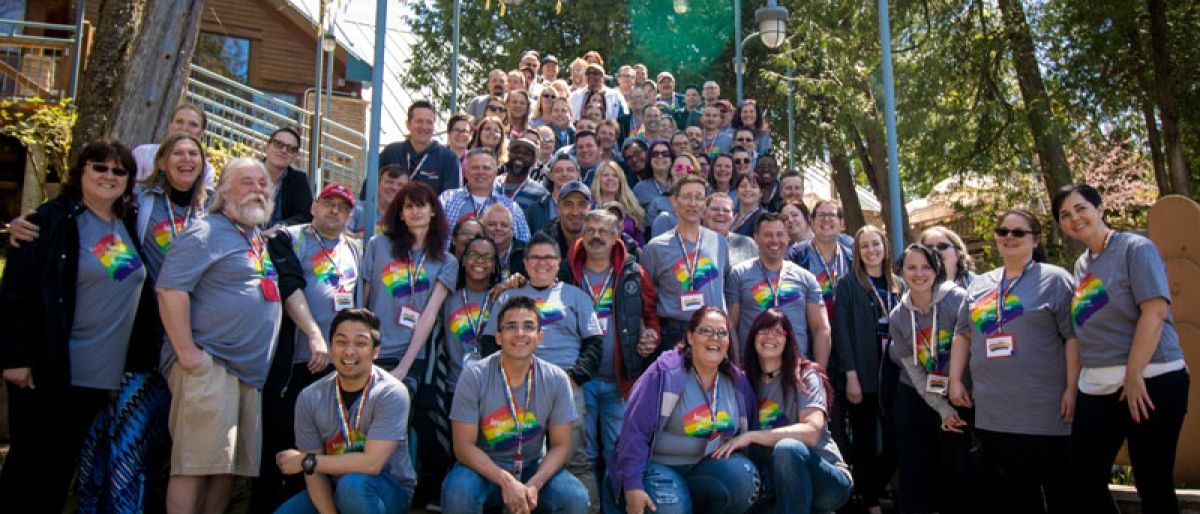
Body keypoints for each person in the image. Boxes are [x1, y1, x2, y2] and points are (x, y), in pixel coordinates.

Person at [0, 139, 148, 512]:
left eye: (119, 171)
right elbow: (16, 292)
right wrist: (15, 357)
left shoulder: (126, 223)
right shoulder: (49, 221)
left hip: (99, 377)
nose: (109, 176)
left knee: (58, 471)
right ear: (80, 172)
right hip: (50, 370)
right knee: (28, 471)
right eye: (99, 167)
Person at [155, 157, 284, 513]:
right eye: (247, 182)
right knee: (195, 467)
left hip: (246, 373)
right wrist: (188, 354)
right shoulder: (205, 231)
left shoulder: (253, 236)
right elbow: (170, 291)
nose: (258, 189)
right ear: (224, 192)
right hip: (210, 365)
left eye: (263, 184)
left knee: (226, 470)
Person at [1053, 184, 1189, 514]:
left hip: (1150, 379)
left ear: (1100, 209)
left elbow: (1154, 312)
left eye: (1081, 208)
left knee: (1151, 480)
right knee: (1083, 477)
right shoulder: (1081, 265)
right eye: (1065, 215)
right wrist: (1075, 386)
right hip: (1097, 385)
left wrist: (1133, 375)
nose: (1075, 218)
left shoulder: (1135, 248)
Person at [947, 209, 1077, 514]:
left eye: (1018, 232)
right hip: (993, 412)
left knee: (1060, 494)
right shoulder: (980, 285)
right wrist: (954, 380)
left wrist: (1072, 388)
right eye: (1003, 231)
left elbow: (1074, 337)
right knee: (1014, 496)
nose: (1009, 237)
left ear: (1035, 239)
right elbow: (963, 335)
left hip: (1044, 412)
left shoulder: (1056, 280)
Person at [253, 183, 363, 512]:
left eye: (342, 207)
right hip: (295, 363)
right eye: (328, 203)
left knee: (317, 448)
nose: (334, 210)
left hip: (336, 369)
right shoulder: (288, 238)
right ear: (313, 206)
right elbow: (289, 285)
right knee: (279, 445)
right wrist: (315, 335)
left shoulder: (354, 248)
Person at [607, 307, 760, 514]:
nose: (715, 338)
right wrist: (633, 484)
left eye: (722, 333)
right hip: (660, 466)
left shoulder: (737, 382)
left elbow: (751, 429)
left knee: (745, 478)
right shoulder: (664, 373)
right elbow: (634, 431)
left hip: (707, 469)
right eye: (706, 331)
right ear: (689, 336)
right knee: (674, 508)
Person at [444, 295, 589, 514]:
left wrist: (534, 485)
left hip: (533, 467)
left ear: (539, 337)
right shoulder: (474, 376)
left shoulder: (557, 379)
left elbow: (561, 445)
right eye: (511, 327)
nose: (520, 334)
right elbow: (463, 447)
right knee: (458, 494)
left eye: (528, 327)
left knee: (575, 498)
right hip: (484, 469)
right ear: (498, 337)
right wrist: (505, 481)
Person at [273, 308, 416, 514]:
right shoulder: (309, 397)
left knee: (352, 486)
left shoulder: (391, 392)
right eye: (341, 342)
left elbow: (371, 464)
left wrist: (306, 461)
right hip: (332, 487)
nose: (349, 351)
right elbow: (313, 473)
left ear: (376, 351)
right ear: (331, 348)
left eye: (360, 343)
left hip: (385, 488)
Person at [715, 309, 852, 514]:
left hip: (826, 480)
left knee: (787, 448)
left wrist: (753, 436)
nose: (770, 336)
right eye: (763, 330)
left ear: (788, 341)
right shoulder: (744, 383)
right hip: (775, 484)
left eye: (778, 332)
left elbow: (812, 432)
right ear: (753, 337)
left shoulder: (805, 376)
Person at [564, 210, 660, 488]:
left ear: (616, 235)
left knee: (619, 452)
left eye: (603, 231)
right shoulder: (567, 271)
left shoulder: (633, 272)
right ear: (582, 233)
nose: (596, 236)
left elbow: (651, 315)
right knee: (583, 452)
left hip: (621, 379)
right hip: (580, 379)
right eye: (590, 230)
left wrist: (651, 335)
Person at [887, 243, 975, 514]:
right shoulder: (898, 316)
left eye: (926, 267)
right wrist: (942, 408)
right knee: (916, 472)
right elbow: (913, 370)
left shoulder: (958, 300)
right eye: (911, 267)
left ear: (937, 270)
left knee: (958, 472)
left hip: (963, 394)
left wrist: (953, 405)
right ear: (900, 270)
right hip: (920, 395)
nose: (919, 273)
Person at [361, 181, 457, 391]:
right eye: (408, 206)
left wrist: (404, 367)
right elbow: (363, 303)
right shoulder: (378, 245)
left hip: (411, 356)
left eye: (421, 205)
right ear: (401, 214)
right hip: (371, 350)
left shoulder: (446, 261)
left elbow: (430, 314)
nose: (415, 212)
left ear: (432, 211)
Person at [831, 225, 901, 514]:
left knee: (896, 442)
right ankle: (871, 502)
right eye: (864, 246)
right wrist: (850, 376)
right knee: (864, 442)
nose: (871, 250)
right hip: (862, 375)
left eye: (876, 244)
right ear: (857, 253)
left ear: (884, 247)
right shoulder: (849, 284)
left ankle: (867, 486)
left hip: (895, 376)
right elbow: (842, 333)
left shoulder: (899, 284)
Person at [641, 176, 731, 352]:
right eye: (687, 196)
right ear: (674, 201)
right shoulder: (655, 248)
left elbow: (725, 285)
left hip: (714, 333)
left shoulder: (719, 242)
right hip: (674, 334)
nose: (693, 203)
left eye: (699, 197)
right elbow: (646, 298)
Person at [727, 213, 829, 367]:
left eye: (780, 234)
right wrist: (737, 368)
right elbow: (731, 326)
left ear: (787, 238)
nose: (775, 240)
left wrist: (820, 373)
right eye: (768, 235)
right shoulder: (739, 275)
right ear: (756, 239)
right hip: (752, 367)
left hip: (795, 367)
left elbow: (821, 328)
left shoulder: (806, 278)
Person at [440, 148, 532, 243]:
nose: (481, 172)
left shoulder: (511, 208)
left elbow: (524, 244)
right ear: (466, 172)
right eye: (475, 168)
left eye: (486, 168)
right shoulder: (447, 199)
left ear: (495, 172)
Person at [788, 199, 853, 319]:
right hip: (809, 325)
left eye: (832, 215)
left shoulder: (852, 258)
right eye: (821, 215)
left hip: (845, 326)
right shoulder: (796, 255)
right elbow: (788, 296)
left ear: (842, 224)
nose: (826, 219)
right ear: (811, 222)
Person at [380, 100, 462, 193]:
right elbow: (370, 187)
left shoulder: (448, 158)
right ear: (408, 124)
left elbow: (451, 200)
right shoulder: (392, 152)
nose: (424, 127)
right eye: (419, 121)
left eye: (429, 122)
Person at [132, 103, 216, 188]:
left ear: (201, 132)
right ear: (170, 126)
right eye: (179, 122)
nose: (184, 128)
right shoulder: (143, 153)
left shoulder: (206, 170)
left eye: (193, 125)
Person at [496, 136, 552, 234]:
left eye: (526, 154)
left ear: (533, 161)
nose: (520, 156)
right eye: (515, 152)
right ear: (508, 155)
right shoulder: (493, 185)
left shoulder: (540, 194)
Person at [262, 127, 314, 229]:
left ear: (295, 156)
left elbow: (305, 216)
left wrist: (282, 226)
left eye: (291, 149)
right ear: (267, 147)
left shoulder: (299, 180)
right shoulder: (247, 171)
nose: (284, 150)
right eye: (278, 144)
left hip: (279, 239)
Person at [589, 160, 646, 246]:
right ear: (598, 180)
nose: (610, 178)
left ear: (620, 181)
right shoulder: (589, 205)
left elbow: (640, 242)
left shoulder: (631, 206)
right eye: (605, 175)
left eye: (615, 176)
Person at [347, 163, 408, 239]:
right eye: (389, 182)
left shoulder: (409, 215)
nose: (394, 187)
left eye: (400, 185)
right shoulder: (356, 208)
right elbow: (342, 235)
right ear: (377, 184)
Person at [702, 192, 759, 267]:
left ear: (733, 217)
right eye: (715, 209)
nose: (721, 213)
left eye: (726, 210)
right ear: (703, 214)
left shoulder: (747, 244)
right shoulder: (692, 244)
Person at [631, 141, 673, 227]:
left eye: (665, 154)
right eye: (655, 154)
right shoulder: (640, 188)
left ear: (672, 159)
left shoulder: (679, 185)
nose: (660, 157)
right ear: (649, 160)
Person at [730, 172, 764, 237]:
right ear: (736, 191)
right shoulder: (730, 214)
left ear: (761, 193)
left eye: (753, 187)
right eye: (743, 186)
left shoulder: (763, 218)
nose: (748, 190)